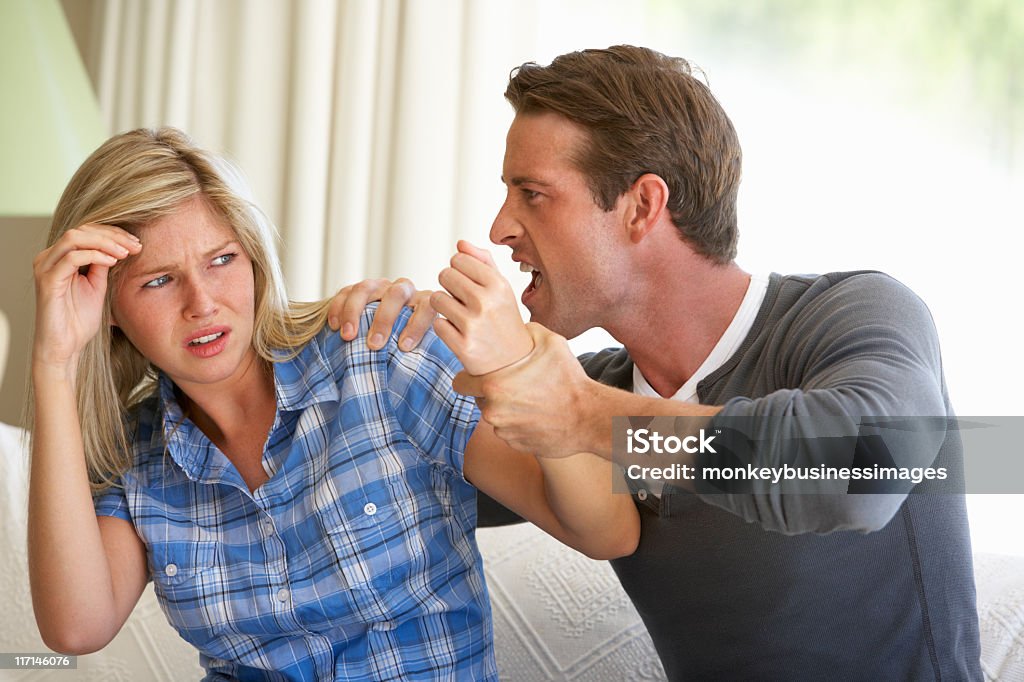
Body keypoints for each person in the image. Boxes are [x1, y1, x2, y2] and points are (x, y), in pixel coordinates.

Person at [337, 45, 981, 680]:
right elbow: (381, 480)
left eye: (532, 194)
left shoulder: (850, 313)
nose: (501, 227)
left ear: (643, 206)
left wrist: (583, 417)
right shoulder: (571, 391)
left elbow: (860, 467)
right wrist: (355, 357)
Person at [27, 127, 638, 681]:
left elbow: (606, 530)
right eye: (158, 280)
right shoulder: (137, 454)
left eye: (222, 260)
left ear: (256, 259)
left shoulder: (377, 355)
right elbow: (77, 628)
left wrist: (520, 363)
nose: (202, 303)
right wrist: (55, 363)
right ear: (108, 304)